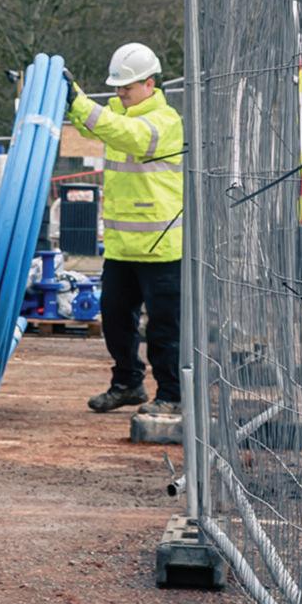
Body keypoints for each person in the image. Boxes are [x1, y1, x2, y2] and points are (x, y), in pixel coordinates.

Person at [67, 42, 183, 413]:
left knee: (164, 329)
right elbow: (100, 125)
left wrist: (80, 101)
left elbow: (127, 134)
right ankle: (128, 383)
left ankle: (171, 396)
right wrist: (72, 97)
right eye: (117, 87)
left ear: (150, 84)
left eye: (127, 87)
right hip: (121, 247)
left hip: (161, 247)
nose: (120, 93)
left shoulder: (164, 122)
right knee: (116, 321)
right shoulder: (119, 115)